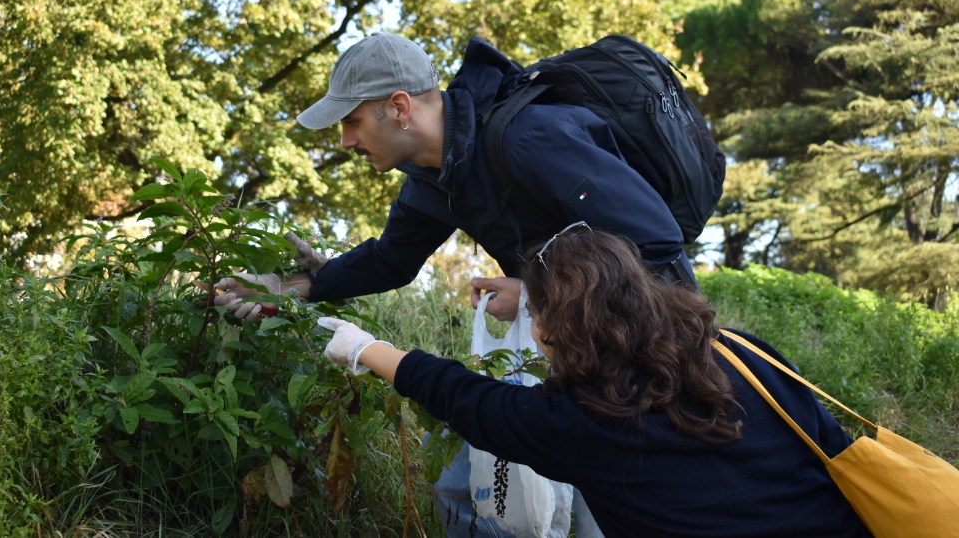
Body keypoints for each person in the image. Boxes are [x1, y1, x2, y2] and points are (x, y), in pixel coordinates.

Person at [214, 31, 696, 536]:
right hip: (572, 341)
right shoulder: (433, 178)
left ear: (399, 107)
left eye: (352, 121)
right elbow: (390, 261)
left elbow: (654, 239)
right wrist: (284, 289)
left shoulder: (526, 137)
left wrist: (541, 292)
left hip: (651, 344)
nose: (345, 142)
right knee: (480, 482)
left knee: (618, 506)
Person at [317, 227, 873, 538]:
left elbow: (467, 398)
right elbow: (832, 448)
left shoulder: (586, 421)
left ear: (555, 326)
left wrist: (365, 347)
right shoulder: (743, 352)